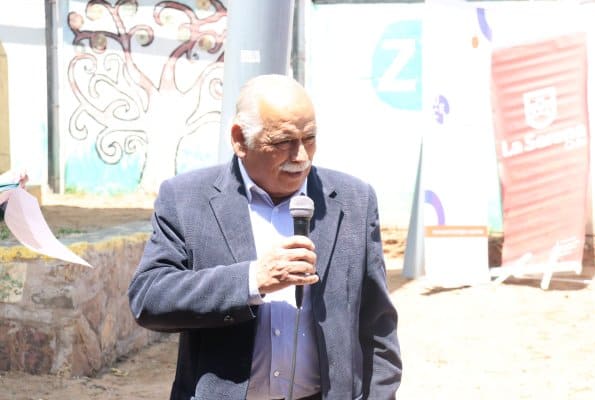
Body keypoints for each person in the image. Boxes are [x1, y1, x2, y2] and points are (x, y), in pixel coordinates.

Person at [128, 74, 402, 400]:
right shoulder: (186, 199)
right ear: (239, 140)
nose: (301, 156)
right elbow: (149, 298)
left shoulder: (354, 201)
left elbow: (378, 325)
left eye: (309, 138)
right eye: (284, 141)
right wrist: (252, 280)